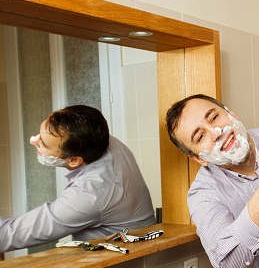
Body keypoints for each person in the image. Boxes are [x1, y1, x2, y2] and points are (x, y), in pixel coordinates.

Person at [165, 94, 259, 268]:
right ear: (197, 158)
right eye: (200, 136)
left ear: (231, 114)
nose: (216, 132)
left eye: (214, 117)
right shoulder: (203, 194)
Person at [0, 105, 156, 253]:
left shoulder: (90, 194)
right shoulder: (105, 141)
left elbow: (7, 235)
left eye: (44, 144)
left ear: (74, 160)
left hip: (120, 266)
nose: (34, 141)